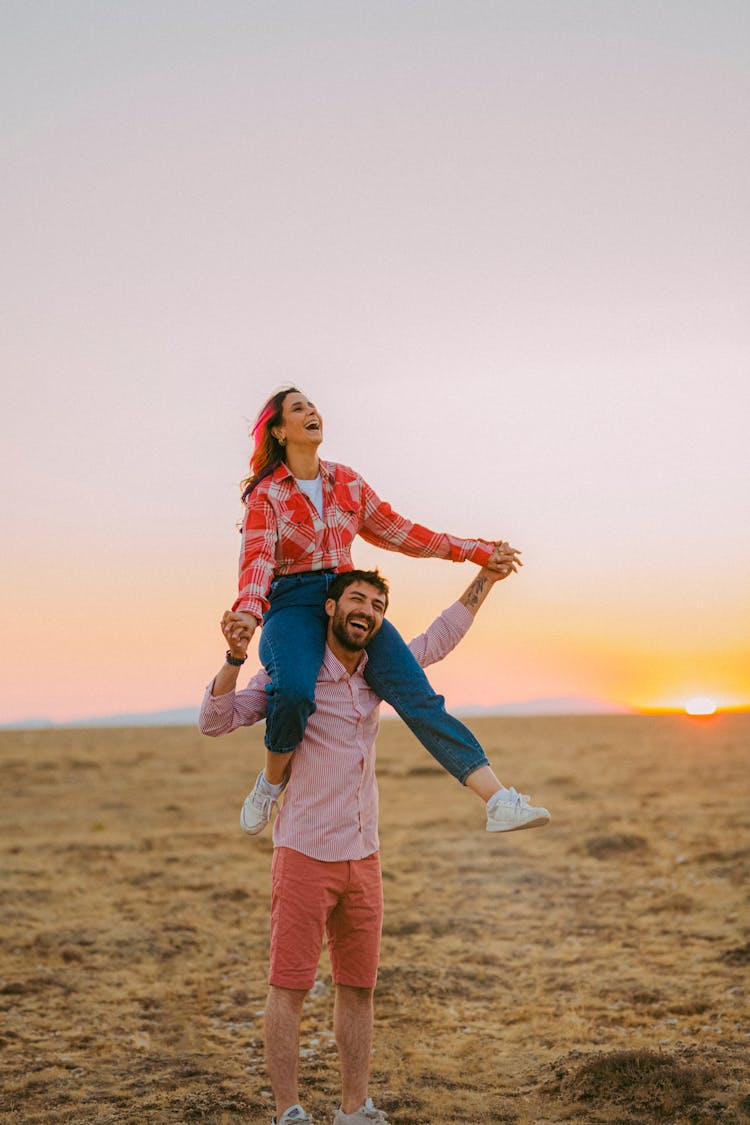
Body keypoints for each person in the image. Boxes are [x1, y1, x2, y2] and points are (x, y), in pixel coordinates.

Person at [200, 564, 544, 1125]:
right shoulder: (294, 672)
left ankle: (354, 1109)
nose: (367, 611)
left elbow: (439, 635)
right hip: (305, 852)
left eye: (378, 606)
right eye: (356, 599)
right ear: (330, 608)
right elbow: (215, 721)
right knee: (289, 987)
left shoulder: (381, 673)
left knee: (358, 989)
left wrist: (484, 582)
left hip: (364, 855)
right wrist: (234, 659)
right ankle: (288, 1110)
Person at [222, 386, 550, 836]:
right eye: (298, 409)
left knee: (417, 695)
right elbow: (258, 559)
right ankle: (269, 784)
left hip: (345, 596)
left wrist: (475, 552)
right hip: (291, 602)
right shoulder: (267, 494)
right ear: (279, 430)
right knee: (295, 690)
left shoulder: (348, 483)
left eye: (313, 405)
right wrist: (248, 613)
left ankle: (497, 800)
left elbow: (402, 533)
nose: (313, 411)